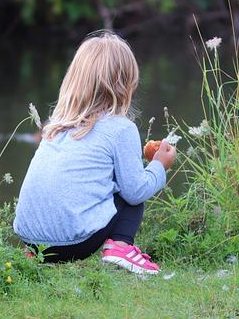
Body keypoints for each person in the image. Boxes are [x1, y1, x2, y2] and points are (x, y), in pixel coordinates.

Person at [13, 30, 176, 274]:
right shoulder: (121, 129)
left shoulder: (56, 125)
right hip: (76, 243)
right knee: (131, 189)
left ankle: (36, 253)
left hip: (31, 240)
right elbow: (135, 191)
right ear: (126, 84)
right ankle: (121, 247)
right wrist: (159, 165)